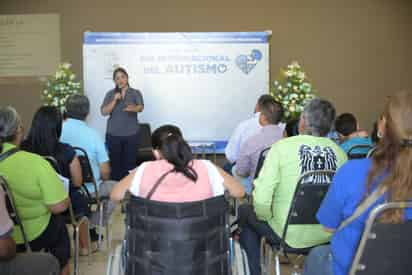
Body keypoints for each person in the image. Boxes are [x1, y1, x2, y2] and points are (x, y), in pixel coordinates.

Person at [304, 91, 412, 275]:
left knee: (316, 255)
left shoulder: (352, 171)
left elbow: (328, 227)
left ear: (382, 127)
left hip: (349, 269)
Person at [239, 98, 347, 275]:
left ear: (303, 120)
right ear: (330, 126)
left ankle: (255, 272)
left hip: (288, 234)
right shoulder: (340, 153)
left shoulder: (282, 148)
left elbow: (262, 196)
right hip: (327, 234)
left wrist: (266, 217)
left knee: (245, 212)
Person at [0, 106, 71, 275]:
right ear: (18, 130)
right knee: (60, 226)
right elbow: (59, 206)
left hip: (7, 237)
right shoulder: (36, 162)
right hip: (35, 233)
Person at [20, 106, 95, 255]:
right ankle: (85, 246)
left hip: (32, 197)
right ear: (58, 127)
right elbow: (78, 181)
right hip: (63, 201)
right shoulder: (66, 150)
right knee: (79, 198)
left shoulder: (23, 149)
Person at [111, 125, 245, 202]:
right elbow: (239, 192)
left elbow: (115, 195)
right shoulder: (207, 167)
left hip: (154, 245)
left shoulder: (144, 169)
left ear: (156, 152)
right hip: (202, 245)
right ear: (182, 144)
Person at [61, 94, 117, 226]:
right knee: (116, 188)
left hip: (61, 189)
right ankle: (93, 223)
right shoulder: (93, 135)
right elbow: (105, 172)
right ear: (87, 112)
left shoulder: (57, 131)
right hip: (89, 190)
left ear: (66, 110)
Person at [0, 179, 60, 275]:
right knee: (50, 262)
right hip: (35, 233)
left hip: (23, 236)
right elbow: (4, 250)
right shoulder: (40, 166)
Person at [101, 67, 144, 181]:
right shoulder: (110, 94)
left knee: (130, 165)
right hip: (113, 135)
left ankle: (129, 193)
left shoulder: (135, 92)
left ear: (127, 77)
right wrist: (115, 100)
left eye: (122, 77)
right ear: (114, 81)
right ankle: (116, 192)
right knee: (115, 165)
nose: (120, 80)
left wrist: (133, 108)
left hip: (131, 134)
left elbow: (141, 107)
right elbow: (104, 112)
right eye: (117, 78)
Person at [234, 97, 284, 194]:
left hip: (258, 188)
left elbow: (241, 172)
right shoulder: (288, 141)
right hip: (281, 188)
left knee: (234, 169)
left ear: (263, 117)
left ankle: (243, 203)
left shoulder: (252, 142)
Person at [225, 94, 276, 170]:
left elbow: (231, 156)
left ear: (258, 105)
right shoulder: (282, 128)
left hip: (246, 172)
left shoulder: (244, 126)